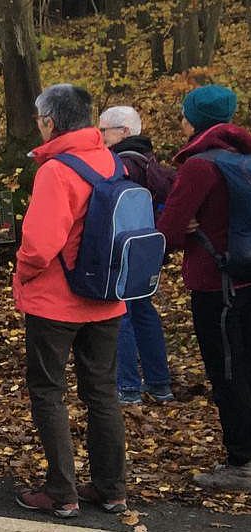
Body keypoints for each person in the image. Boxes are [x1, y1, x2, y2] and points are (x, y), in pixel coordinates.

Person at [13, 84, 129, 517]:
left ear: (50, 122)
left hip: (56, 304)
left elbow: (40, 246)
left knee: (48, 392)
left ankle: (61, 492)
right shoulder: (110, 161)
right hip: (107, 298)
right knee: (102, 392)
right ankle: (111, 488)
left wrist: (21, 272)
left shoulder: (56, 171)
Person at [156, 84, 251, 493]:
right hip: (246, 276)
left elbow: (169, 231)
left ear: (194, 119)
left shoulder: (198, 168)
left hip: (216, 284)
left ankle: (241, 460)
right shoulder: (245, 159)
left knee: (227, 370)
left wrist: (185, 227)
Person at [98, 106, 175, 405]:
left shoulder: (119, 164)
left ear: (125, 132)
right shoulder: (152, 162)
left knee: (123, 315)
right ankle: (159, 383)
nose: (100, 136)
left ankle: (128, 387)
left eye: (104, 131)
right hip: (146, 250)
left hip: (121, 248)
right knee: (144, 312)